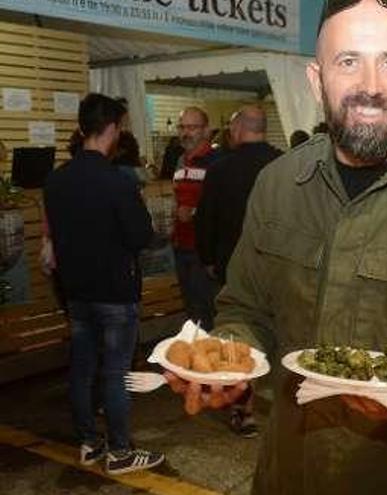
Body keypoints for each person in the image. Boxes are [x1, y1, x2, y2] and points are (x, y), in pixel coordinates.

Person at [167, 1, 387, 494]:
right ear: (317, 80)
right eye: (348, 61)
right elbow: (245, 307)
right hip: (284, 475)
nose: (371, 84)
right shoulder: (277, 185)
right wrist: (233, 357)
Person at [43, 93, 164, 475]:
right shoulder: (118, 182)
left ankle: (90, 443)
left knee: (81, 370)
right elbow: (141, 235)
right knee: (114, 372)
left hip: (75, 292)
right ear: (112, 130)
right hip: (114, 291)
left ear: (81, 127)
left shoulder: (56, 180)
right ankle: (122, 452)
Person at [195, 105, 283, 438]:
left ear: (236, 131)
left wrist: (206, 258)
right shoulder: (284, 165)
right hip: (279, 267)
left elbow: (207, 219)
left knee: (240, 338)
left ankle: (243, 410)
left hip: (233, 266)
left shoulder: (220, 170)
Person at [173, 106, 220, 330]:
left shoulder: (217, 162)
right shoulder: (180, 161)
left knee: (206, 315)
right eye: (182, 127)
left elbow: (221, 207)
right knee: (192, 314)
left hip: (203, 253)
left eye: (192, 127)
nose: (185, 132)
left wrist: (191, 212)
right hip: (181, 248)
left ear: (206, 130)